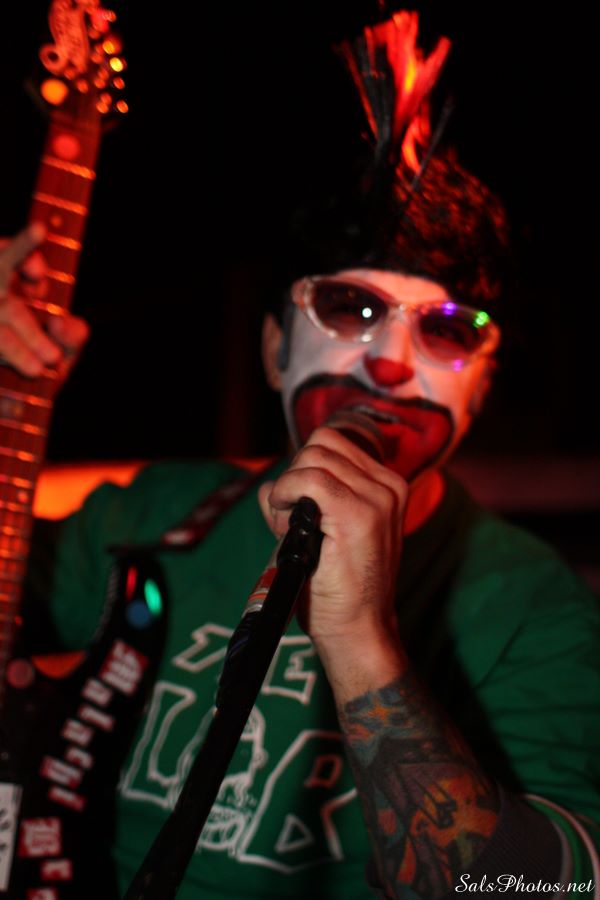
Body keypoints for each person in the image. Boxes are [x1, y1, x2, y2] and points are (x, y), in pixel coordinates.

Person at [1, 10, 599, 900]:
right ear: (276, 350)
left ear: (482, 388)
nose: (389, 364)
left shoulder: (535, 611)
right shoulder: (151, 515)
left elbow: (534, 891)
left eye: (446, 330)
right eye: (350, 310)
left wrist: (359, 637)